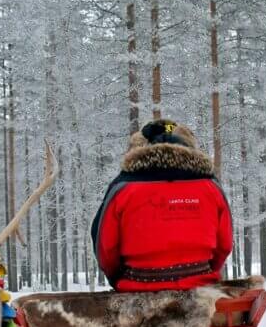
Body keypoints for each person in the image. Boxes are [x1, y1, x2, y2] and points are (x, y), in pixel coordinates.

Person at [91, 119, 233, 292]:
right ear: (189, 146)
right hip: (200, 289)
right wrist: (200, 274)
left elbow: (105, 248)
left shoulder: (122, 188)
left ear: (141, 147)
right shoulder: (211, 187)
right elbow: (224, 245)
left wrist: (120, 279)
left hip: (137, 290)